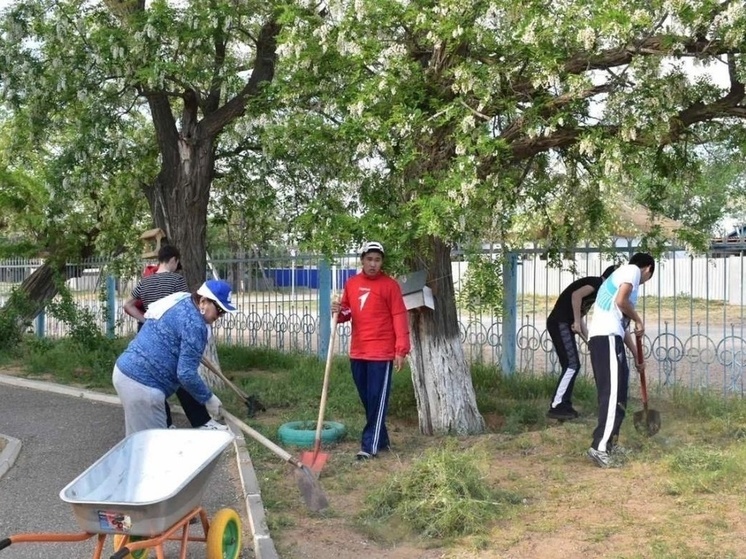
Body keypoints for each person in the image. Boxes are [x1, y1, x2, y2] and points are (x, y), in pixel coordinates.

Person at [112, 279, 238, 436]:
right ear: (204, 301)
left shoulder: (182, 299)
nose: (220, 316)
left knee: (138, 443)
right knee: (152, 449)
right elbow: (185, 373)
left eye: (224, 312)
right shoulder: (196, 325)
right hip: (143, 385)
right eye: (219, 309)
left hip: (126, 373)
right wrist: (208, 398)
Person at [123, 245, 224, 430]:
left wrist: (144, 320)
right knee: (182, 380)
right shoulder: (177, 282)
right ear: (173, 260)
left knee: (161, 381)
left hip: (149, 336)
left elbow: (128, 305)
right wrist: (208, 398)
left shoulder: (145, 281)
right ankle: (200, 421)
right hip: (174, 337)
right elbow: (190, 309)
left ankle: (167, 424)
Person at [331, 241, 410, 460]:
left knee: (377, 399)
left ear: (382, 262)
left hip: (381, 353)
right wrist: (338, 310)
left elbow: (399, 317)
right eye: (369, 259)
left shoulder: (390, 286)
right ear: (362, 261)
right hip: (358, 351)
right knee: (368, 400)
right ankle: (382, 439)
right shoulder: (352, 284)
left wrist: (401, 350)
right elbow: (346, 313)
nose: (373, 264)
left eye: (377, 260)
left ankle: (369, 446)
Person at [586, 253, 655, 468]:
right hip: (605, 337)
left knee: (620, 393)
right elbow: (620, 301)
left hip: (611, 337)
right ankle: (599, 448)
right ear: (648, 269)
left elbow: (622, 327)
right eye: (650, 275)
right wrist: (638, 318)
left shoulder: (624, 280)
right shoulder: (631, 271)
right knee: (612, 394)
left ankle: (610, 444)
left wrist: (636, 355)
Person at [546, 265, 618, 420]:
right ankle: (557, 405)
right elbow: (576, 296)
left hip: (563, 323)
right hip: (559, 322)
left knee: (572, 365)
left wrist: (590, 340)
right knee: (572, 365)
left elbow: (580, 316)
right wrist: (576, 322)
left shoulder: (599, 293)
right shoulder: (597, 283)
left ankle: (563, 404)